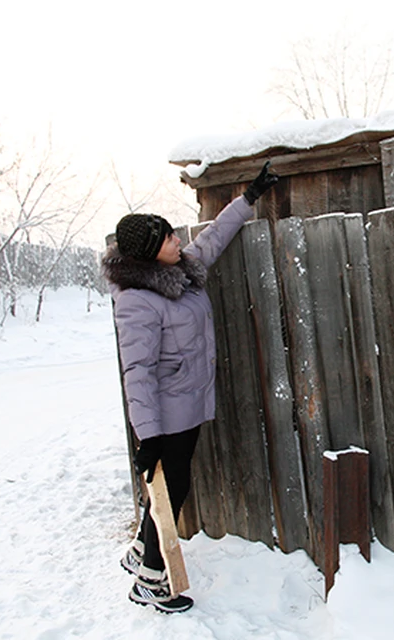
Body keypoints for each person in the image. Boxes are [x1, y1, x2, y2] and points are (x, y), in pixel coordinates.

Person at [102, 161, 279, 613]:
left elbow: (213, 238)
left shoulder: (180, 271)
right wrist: (149, 436)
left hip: (191, 400)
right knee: (172, 487)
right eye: (166, 238)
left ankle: (140, 553)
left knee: (171, 483)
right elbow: (136, 373)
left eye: (172, 234)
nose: (177, 240)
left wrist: (248, 197)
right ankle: (152, 579)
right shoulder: (137, 302)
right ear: (147, 254)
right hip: (168, 415)